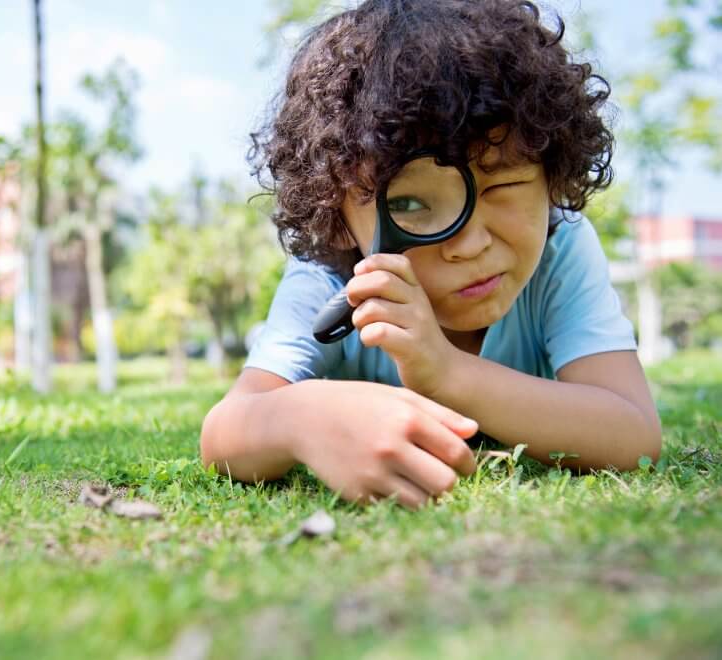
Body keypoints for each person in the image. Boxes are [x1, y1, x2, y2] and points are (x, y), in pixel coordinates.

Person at [199, 0, 662, 507]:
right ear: (336, 215)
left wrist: (446, 373)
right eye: (411, 203)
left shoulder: (561, 245)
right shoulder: (329, 281)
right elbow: (225, 433)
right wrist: (300, 416)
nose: (469, 244)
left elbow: (633, 433)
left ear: (553, 175)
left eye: (504, 184)